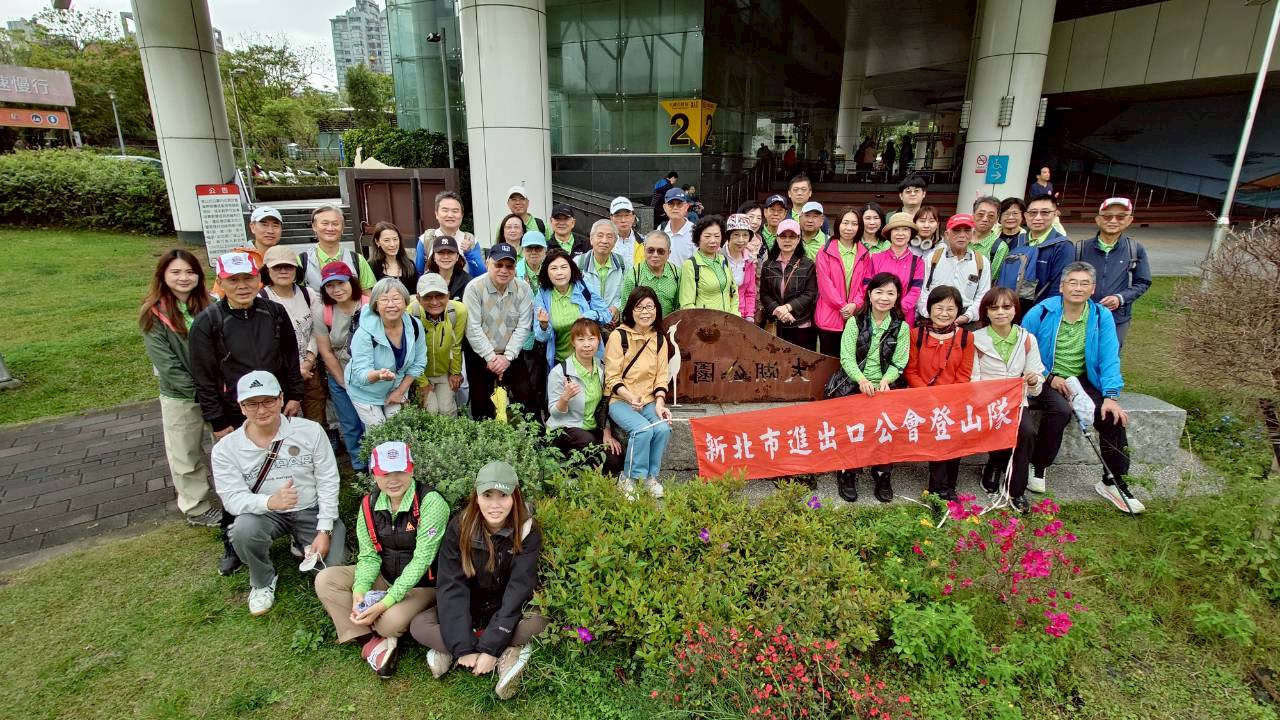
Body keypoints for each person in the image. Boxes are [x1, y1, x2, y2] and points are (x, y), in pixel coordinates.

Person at [189, 252, 304, 575]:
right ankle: (234, 542)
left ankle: (296, 526)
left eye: (248, 279)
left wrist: (294, 395)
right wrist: (218, 421)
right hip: (234, 413)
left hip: (278, 406)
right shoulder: (208, 322)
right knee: (238, 477)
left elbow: (290, 358)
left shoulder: (274, 313)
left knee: (288, 465)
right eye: (233, 281)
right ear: (221, 282)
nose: (241, 286)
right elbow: (203, 376)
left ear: (259, 279)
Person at [212, 370, 346, 616]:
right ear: (241, 407)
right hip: (266, 513)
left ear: (281, 398)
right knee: (243, 531)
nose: (261, 410)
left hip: (311, 510)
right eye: (252, 404)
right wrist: (270, 502)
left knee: (331, 572)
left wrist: (325, 529)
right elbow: (231, 499)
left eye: (268, 401)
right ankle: (263, 580)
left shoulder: (311, 431)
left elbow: (328, 480)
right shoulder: (225, 449)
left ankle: (303, 540)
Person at [410, 461, 546, 700]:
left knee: (539, 622)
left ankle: (497, 652)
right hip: (471, 606)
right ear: (477, 496)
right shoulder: (459, 527)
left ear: (514, 496)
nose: (495, 505)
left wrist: (490, 648)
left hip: (507, 609)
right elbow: (452, 586)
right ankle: (474, 645)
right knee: (419, 626)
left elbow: (519, 589)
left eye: (503, 495)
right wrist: (463, 647)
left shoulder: (527, 530)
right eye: (487, 495)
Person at [315, 441, 448, 676]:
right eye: (385, 473)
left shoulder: (431, 502)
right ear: (374, 474)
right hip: (384, 576)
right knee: (325, 579)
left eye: (400, 471)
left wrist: (385, 603)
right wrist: (359, 591)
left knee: (389, 622)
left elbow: (422, 560)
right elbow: (368, 556)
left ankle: (379, 627)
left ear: (412, 469)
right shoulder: (368, 505)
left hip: (423, 585)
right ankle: (370, 642)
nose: (393, 479)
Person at [1022, 262, 1144, 513]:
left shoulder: (1101, 315)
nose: (1078, 288)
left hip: (1083, 378)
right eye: (1072, 282)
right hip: (1045, 375)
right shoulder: (1041, 312)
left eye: (1084, 283)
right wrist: (1048, 376)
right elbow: (1022, 350)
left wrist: (1111, 395)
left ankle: (1114, 481)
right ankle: (1039, 465)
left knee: (1111, 417)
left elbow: (1109, 357)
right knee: (1060, 411)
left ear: (1093, 288)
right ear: (1062, 286)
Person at [139, 249, 219, 527]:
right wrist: (199, 391)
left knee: (227, 445)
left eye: (189, 271)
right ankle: (196, 508)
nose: (184, 278)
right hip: (181, 396)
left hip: (217, 390)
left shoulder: (210, 305)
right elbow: (167, 364)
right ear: (163, 275)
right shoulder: (154, 314)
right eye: (176, 272)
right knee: (186, 453)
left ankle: (235, 495)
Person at [836, 272, 911, 504]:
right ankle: (848, 472)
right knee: (854, 428)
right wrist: (861, 380)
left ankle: (882, 473)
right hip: (854, 383)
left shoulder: (902, 327)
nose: (884, 298)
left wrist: (885, 381)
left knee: (885, 429)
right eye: (879, 292)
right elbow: (846, 358)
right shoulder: (855, 322)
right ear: (869, 294)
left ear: (897, 297)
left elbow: (899, 362)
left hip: (885, 387)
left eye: (890, 293)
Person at [971, 287, 1044, 513]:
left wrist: (1032, 381)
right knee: (997, 424)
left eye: (1006, 307)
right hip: (985, 402)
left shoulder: (1027, 340)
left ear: (1015, 309)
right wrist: (989, 401)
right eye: (994, 308)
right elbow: (973, 380)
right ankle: (995, 464)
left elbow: (1036, 388)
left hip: (1016, 401)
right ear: (986, 312)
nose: (1000, 312)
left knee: (1026, 432)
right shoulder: (975, 339)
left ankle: (1016, 490)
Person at [904, 286, 975, 501]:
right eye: (939, 308)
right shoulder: (916, 335)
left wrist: (948, 398)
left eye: (950, 309)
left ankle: (947, 486)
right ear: (929, 309)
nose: (944, 313)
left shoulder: (965, 338)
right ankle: (939, 489)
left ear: (958, 311)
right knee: (939, 429)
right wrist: (930, 396)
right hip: (923, 398)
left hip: (954, 398)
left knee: (954, 429)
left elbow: (964, 373)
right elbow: (911, 371)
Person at [605, 287, 674, 499]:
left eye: (650, 307)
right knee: (643, 430)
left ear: (657, 309)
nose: (645, 312)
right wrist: (629, 397)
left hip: (650, 400)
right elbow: (612, 377)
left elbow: (662, 376)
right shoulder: (619, 336)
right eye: (639, 307)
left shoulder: (660, 339)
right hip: (620, 400)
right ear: (631, 310)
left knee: (662, 429)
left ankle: (650, 478)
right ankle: (629, 478)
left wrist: (660, 404)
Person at [462, 242, 536, 420]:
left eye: (509, 266)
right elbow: (472, 328)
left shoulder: (523, 289)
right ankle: (485, 443)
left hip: (511, 354)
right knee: (482, 404)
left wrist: (507, 358)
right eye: (498, 265)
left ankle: (538, 443)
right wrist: (491, 357)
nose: (504, 270)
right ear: (488, 263)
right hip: (480, 354)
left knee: (527, 398)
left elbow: (523, 326)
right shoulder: (474, 288)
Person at [345, 278, 428, 429]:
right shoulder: (365, 333)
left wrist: (400, 391)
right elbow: (362, 374)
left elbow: (419, 362)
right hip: (365, 392)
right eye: (384, 300)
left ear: (405, 302)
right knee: (379, 431)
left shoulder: (415, 325)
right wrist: (379, 375)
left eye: (396, 299)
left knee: (399, 429)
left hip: (396, 386)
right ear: (376, 305)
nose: (391, 305)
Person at [546, 318, 623, 473]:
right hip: (564, 428)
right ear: (573, 342)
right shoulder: (561, 372)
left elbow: (604, 406)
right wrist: (565, 398)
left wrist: (606, 431)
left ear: (598, 341)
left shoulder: (603, 369)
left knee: (615, 458)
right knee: (588, 443)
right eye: (581, 339)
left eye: (591, 339)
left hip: (592, 429)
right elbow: (554, 413)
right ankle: (571, 473)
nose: (587, 344)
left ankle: (584, 474)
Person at [260, 245, 326, 424]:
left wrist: (308, 362)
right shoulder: (261, 299)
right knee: (283, 419)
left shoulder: (307, 294)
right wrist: (294, 370)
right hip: (279, 373)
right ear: (267, 270)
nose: (283, 271)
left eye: (288, 267)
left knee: (316, 416)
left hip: (310, 368)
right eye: (277, 267)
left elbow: (317, 330)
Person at [1075, 198, 1152, 348]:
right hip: (1082, 316)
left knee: (1108, 360)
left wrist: (1120, 298)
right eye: (1107, 216)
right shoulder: (1081, 248)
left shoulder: (1135, 249)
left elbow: (1143, 281)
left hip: (1117, 318)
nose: (1113, 221)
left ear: (1129, 220)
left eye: (1120, 217)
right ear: (1098, 219)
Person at [314, 262, 368, 470]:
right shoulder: (324, 313)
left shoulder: (369, 305)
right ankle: (359, 467)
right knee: (350, 424)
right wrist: (342, 381)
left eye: (341, 283)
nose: (336, 290)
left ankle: (378, 466)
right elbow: (326, 351)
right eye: (330, 286)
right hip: (341, 376)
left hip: (369, 378)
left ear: (351, 282)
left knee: (370, 423)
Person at [534, 248, 612, 365]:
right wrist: (543, 326)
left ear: (571, 269)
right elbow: (541, 337)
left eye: (564, 267)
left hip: (591, 360)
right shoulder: (543, 295)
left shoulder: (584, 288)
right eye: (554, 268)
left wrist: (589, 316)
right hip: (560, 362)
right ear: (547, 272)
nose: (559, 272)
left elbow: (607, 315)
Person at [998, 195, 1073, 309]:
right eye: (1033, 213)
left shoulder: (1062, 246)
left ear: (1055, 214)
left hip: (1041, 310)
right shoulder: (1018, 240)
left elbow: (1059, 288)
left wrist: (1044, 313)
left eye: (1045, 213)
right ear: (1026, 216)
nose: (1038, 218)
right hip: (1010, 308)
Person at [916, 214, 991, 327]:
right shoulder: (933, 258)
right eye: (956, 230)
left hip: (966, 321)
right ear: (947, 234)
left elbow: (983, 296)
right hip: (933, 318)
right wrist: (930, 314)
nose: (962, 235)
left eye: (966, 231)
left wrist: (967, 316)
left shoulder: (981, 261)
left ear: (972, 234)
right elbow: (922, 291)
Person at [408, 274, 468, 416]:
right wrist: (422, 382)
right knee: (431, 410)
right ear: (418, 298)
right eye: (428, 297)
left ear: (448, 296)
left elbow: (456, 344)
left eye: (439, 296)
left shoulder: (458, 311)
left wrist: (455, 372)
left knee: (447, 410)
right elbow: (411, 353)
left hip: (444, 371)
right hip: (420, 373)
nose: (434, 302)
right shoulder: (410, 313)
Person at [815, 208, 869, 356]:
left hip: (853, 316)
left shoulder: (864, 253)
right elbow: (825, 284)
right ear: (838, 224)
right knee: (828, 362)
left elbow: (865, 283)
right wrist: (843, 306)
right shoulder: (825, 251)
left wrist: (855, 305)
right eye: (845, 223)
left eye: (854, 224)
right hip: (829, 317)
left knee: (850, 361)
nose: (849, 228)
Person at [759, 218, 818, 348]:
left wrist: (787, 308)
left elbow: (810, 293)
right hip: (776, 323)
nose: (787, 240)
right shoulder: (768, 265)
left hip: (801, 324)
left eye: (792, 237)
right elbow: (764, 293)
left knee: (801, 364)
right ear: (777, 238)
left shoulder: (807, 264)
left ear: (798, 239)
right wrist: (778, 310)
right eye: (783, 236)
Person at [855, 214, 925, 316]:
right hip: (876, 314)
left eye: (905, 229)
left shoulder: (918, 262)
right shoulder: (875, 258)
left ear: (911, 234)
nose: (900, 234)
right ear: (890, 233)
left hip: (903, 315)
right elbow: (867, 285)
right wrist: (879, 305)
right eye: (896, 229)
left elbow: (915, 291)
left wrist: (898, 309)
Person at [298, 205, 376, 292]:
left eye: (335, 224)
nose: (330, 228)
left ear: (343, 228)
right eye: (325, 223)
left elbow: (368, 297)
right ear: (314, 226)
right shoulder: (302, 261)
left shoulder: (357, 260)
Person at [213, 206, 282, 297]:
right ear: (252, 227)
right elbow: (219, 295)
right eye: (264, 225)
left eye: (275, 226)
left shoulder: (284, 257)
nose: (270, 231)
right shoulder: (236, 257)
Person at [415, 191, 486, 278]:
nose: (450, 215)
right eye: (445, 210)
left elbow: (481, 274)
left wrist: (469, 253)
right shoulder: (426, 239)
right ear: (436, 214)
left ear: (462, 215)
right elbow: (418, 273)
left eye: (455, 211)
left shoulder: (470, 240)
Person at [678, 216, 739, 315]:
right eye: (707, 236)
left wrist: (735, 315)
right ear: (698, 238)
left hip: (727, 322)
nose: (713, 241)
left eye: (717, 236)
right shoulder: (691, 265)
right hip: (705, 325)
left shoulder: (723, 260)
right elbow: (687, 304)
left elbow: (733, 292)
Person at [575, 219, 627, 322]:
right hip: (586, 323)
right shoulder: (577, 263)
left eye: (609, 236)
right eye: (600, 235)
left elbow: (629, 292)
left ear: (615, 241)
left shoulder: (623, 264)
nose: (604, 241)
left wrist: (618, 307)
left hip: (613, 323)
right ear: (591, 239)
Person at [620, 230, 681, 316]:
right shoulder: (634, 275)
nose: (655, 255)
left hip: (668, 327)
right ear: (644, 250)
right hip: (640, 327)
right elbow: (625, 310)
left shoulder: (677, 274)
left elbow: (679, 308)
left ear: (668, 253)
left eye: (661, 251)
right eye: (651, 250)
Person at [722, 213, 758, 323]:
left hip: (741, 316)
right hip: (720, 313)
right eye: (736, 235)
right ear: (729, 236)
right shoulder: (717, 257)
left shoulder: (750, 261)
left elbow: (750, 292)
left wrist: (749, 315)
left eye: (745, 235)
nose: (741, 240)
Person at [369, 221, 419, 293]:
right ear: (377, 242)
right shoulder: (371, 266)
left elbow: (415, 293)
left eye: (395, 239)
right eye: (387, 240)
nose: (392, 244)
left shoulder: (409, 264)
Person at [968, 196, 1009, 280]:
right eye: (980, 214)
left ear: (997, 219)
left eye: (991, 216)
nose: (985, 219)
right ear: (973, 215)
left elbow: (990, 278)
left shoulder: (1000, 247)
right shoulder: (962, 237)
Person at [425, 234, 472, 301]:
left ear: (457, 257)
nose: (446, 256)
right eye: (440, 252)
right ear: (434, 257)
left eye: (450, 252)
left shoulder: (467, 281)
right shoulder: (425, 280)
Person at [658, 188, 696, 266]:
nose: (675, 208)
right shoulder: (661, 229)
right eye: (671, 204)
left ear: (686, 207)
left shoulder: (695, 231)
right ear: (665, 207)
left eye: (679, 204)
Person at [610, 196, 643, 270]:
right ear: (611, 218)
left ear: (633, 217)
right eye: (618, 216)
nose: (623, 220)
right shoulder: (605, 242)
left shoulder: (644, 242)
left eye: (627, 215)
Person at [515, 228, 548, 294]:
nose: (533, 252)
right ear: (522, 250)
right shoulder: (514, 273)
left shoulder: (551, 269)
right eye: (529, 248)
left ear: (545, 250)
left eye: (538, 248)